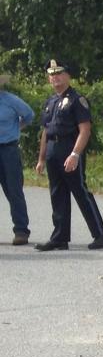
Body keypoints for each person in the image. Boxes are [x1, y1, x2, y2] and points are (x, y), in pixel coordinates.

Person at [33, 60, 103, 251]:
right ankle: (59, 237)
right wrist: (42, 158)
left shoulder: (77, 100)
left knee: (80, 191)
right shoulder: (50, 102)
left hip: (69, 147)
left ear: (68, 76)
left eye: (59, 73)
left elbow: (85, 129)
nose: (55, 77)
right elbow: (45, 131)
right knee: (57, 194)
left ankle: (100, 234)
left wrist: (75, 154)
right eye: (52, 74)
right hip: (52, 149)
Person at [0, 74, 34, 245]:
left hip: (8, 149)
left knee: (14, 190)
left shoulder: (10, 100)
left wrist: (16, 128)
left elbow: (29, 115)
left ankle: (21, 230)